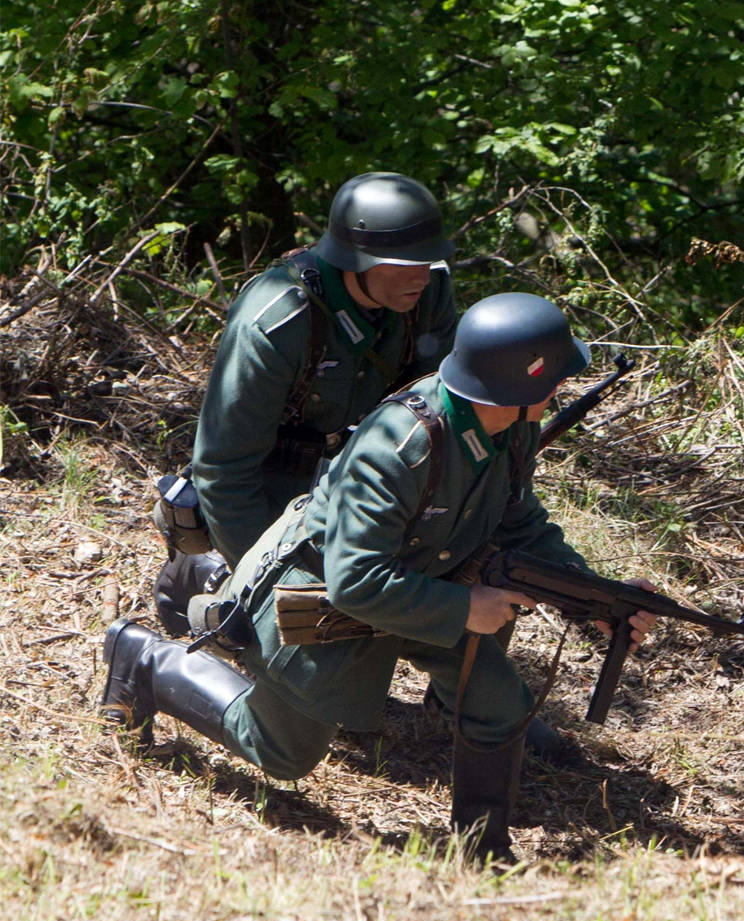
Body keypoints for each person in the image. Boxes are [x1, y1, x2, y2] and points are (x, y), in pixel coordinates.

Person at [104, 293, 658, 862]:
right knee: (281, 755)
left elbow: (521, 522)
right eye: (555, 379)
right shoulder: (399, 448)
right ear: (520, 386)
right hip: (322, 598)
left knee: (500, 705)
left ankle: (482, 852)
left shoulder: (509, 428)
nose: (560, 389)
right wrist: (464, 611)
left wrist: (595, 596)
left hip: (422, 588)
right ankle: (145, 661)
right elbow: (356, 580)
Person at [152, 171, 459, 634]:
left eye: (426, 259)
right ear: (356, 259)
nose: (420, 274)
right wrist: (265, 578)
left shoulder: (427, 293)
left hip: (359, 471)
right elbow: (224, 469)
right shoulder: (279, 316)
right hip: (273, 483)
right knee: (304, 616)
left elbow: (439, 408)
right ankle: (207, 572)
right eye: (402, 262)